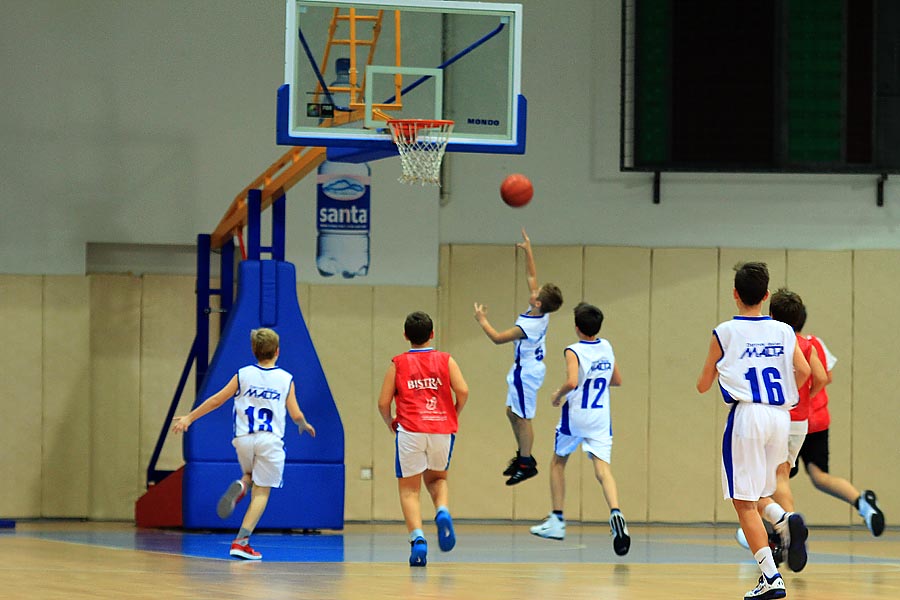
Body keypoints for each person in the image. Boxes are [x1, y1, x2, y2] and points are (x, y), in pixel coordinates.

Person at [696, 262, 811, 600]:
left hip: (747, 416)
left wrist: (721, 372)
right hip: (780, 416)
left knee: (742, 502)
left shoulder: (725, 332)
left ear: (735, 294)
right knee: (760, 494)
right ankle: (784, 519)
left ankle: (770, 577)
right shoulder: (784, 331)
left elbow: (703, 384)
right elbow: (803, 371)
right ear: (766, 295)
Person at [171, 328, 316, 561]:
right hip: (270, 441)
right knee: (262, 493)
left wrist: (189, 417)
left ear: (253, 351)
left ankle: (242, 483)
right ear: (278, 351)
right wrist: (303, 424)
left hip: (243, 440)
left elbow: (217, 399)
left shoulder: (243, 374)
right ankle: (241, 541)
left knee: (250, 473)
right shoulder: (286, 379)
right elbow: (295, 412)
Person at [735, 288, 827, 572]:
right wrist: (805, 396)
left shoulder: (770, 340)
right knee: (781, 477)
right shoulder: (806, 344)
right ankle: (790, 530)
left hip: (770, 415)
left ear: (772, 315)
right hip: (799, 419)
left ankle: (783, 527)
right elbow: (820, 377)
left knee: (755, 486)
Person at [529, 302, 631, 556]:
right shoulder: (606, 346)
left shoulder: (573, 350)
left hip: (576, 416)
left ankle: (557, 520)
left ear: (577, 327)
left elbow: (573, 381)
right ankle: (616, 512)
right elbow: (616, 380)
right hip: (599, 417)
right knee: (602, 469)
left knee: (557, 462)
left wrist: (557, 394)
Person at [377, 311, 469, 567]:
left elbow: (383, 402)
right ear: (432, 334)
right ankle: (442, 509)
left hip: (410, 429)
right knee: (438, 478)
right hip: (442, 428)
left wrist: (390, 422)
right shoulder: (446, 360)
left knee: (409, 488)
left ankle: (417, 538)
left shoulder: (398, 363)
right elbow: (463, 390)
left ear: (406, 336)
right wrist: (454, 412)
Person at [473, 228, 564, 485]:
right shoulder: (539, 310)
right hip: (522, 369)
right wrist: (529, 249)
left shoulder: (530, 326)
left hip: (527, 372)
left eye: (537, 293)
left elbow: (498, 338)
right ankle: (523, 456)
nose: (533, 290)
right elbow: (532, 275)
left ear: (538, 303)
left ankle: (527, 463)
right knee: (511, 413)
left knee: (523, 418)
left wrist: (482, 320)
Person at [793, 332, 886, 536]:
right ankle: (862, 502)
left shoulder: (779, 343)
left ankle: (778, 531)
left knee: (775, 478)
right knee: (820, 476)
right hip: (818, 419)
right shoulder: (815, 342)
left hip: (792, 421)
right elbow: (827, 376)